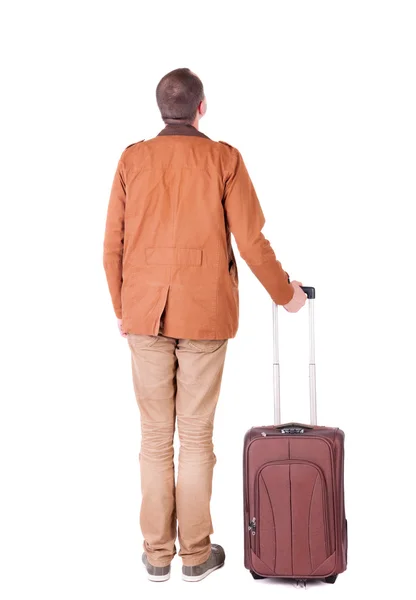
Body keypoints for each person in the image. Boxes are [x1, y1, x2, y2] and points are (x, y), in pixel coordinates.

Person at [103, 67, 307, 583]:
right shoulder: (224, 158)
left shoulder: (132, 158)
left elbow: (112, 247)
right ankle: (195, 555)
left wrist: (122, 308)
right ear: (202, 108)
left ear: (160, 109)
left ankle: (156, 555)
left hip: (144, 312)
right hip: (205, 313)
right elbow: (252, 241)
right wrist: (287, 295)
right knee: (195, 437)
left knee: (154, 438)